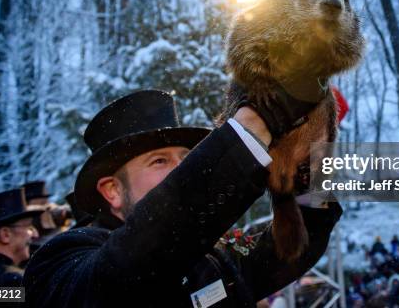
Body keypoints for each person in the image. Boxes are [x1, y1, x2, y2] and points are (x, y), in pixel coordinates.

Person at [24, 89, 342, 307]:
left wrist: (306, 162)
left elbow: (294, 247)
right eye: (159, 161)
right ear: (113, 191)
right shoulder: (65, 260)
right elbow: (129, 265)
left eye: (186, 158)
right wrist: (252, 126)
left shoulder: (211, 259)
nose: (183, 169)